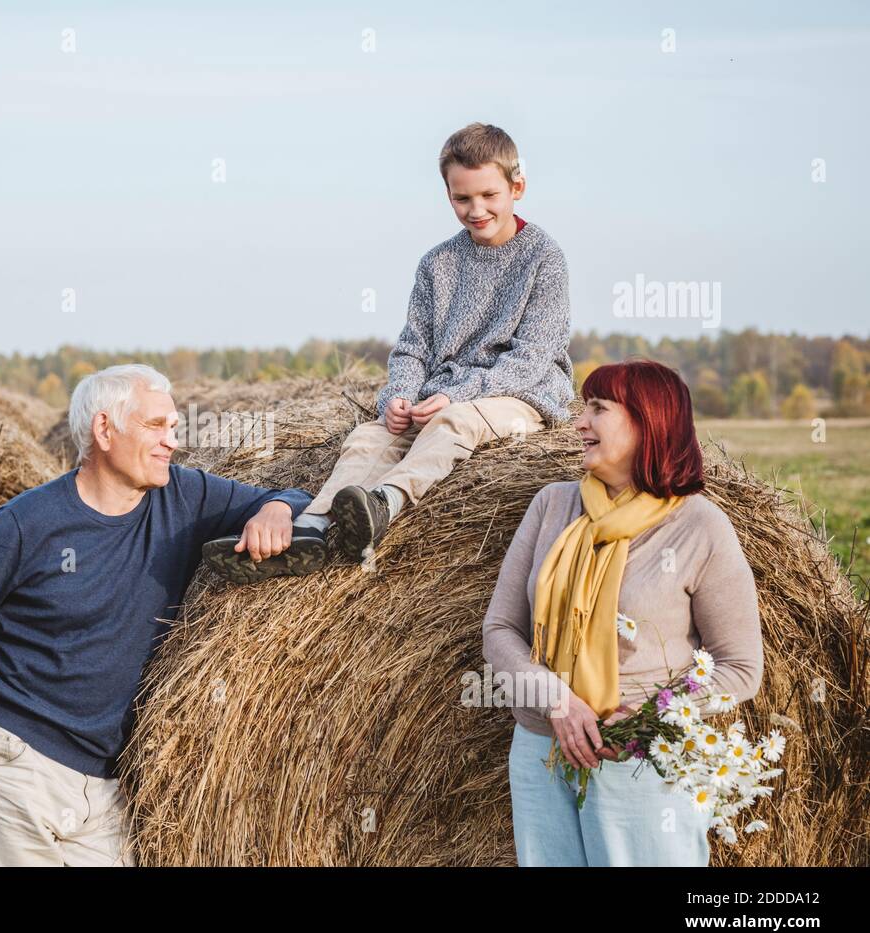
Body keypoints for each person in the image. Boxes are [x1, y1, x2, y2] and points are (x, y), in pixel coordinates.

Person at [0, 364, 313, 865]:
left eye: (174, 427)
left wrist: (277, 511)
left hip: (105, 783)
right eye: (156, 426)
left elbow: (287, 495)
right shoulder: (30, 523)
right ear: (104, 429)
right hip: (16, 765)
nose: (171, 442)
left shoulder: (183, 496)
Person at [203, 122, 574, 584]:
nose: (476, 209)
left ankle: (386, 504)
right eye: (462, 199)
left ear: (516, 187)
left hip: (520, 393)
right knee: (367, 439)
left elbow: (532, 356)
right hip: (440, 394)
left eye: (488, 195)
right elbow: (412, 347)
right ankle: (311, 530)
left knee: (452, 424)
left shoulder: (543, 257)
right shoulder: (438, 264)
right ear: (448, 196)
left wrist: (458, 396)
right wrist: (397, 396)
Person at [482, 359, 765, 866]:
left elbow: (739, 667)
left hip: (637, 761)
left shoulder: (699, 526)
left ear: (646, 422)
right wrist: (556, 701)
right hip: (539, 751)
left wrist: (648, 717)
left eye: (597, 409)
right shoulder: (553, 506)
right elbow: (500, 630)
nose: (579, 423)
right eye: (581, 407)